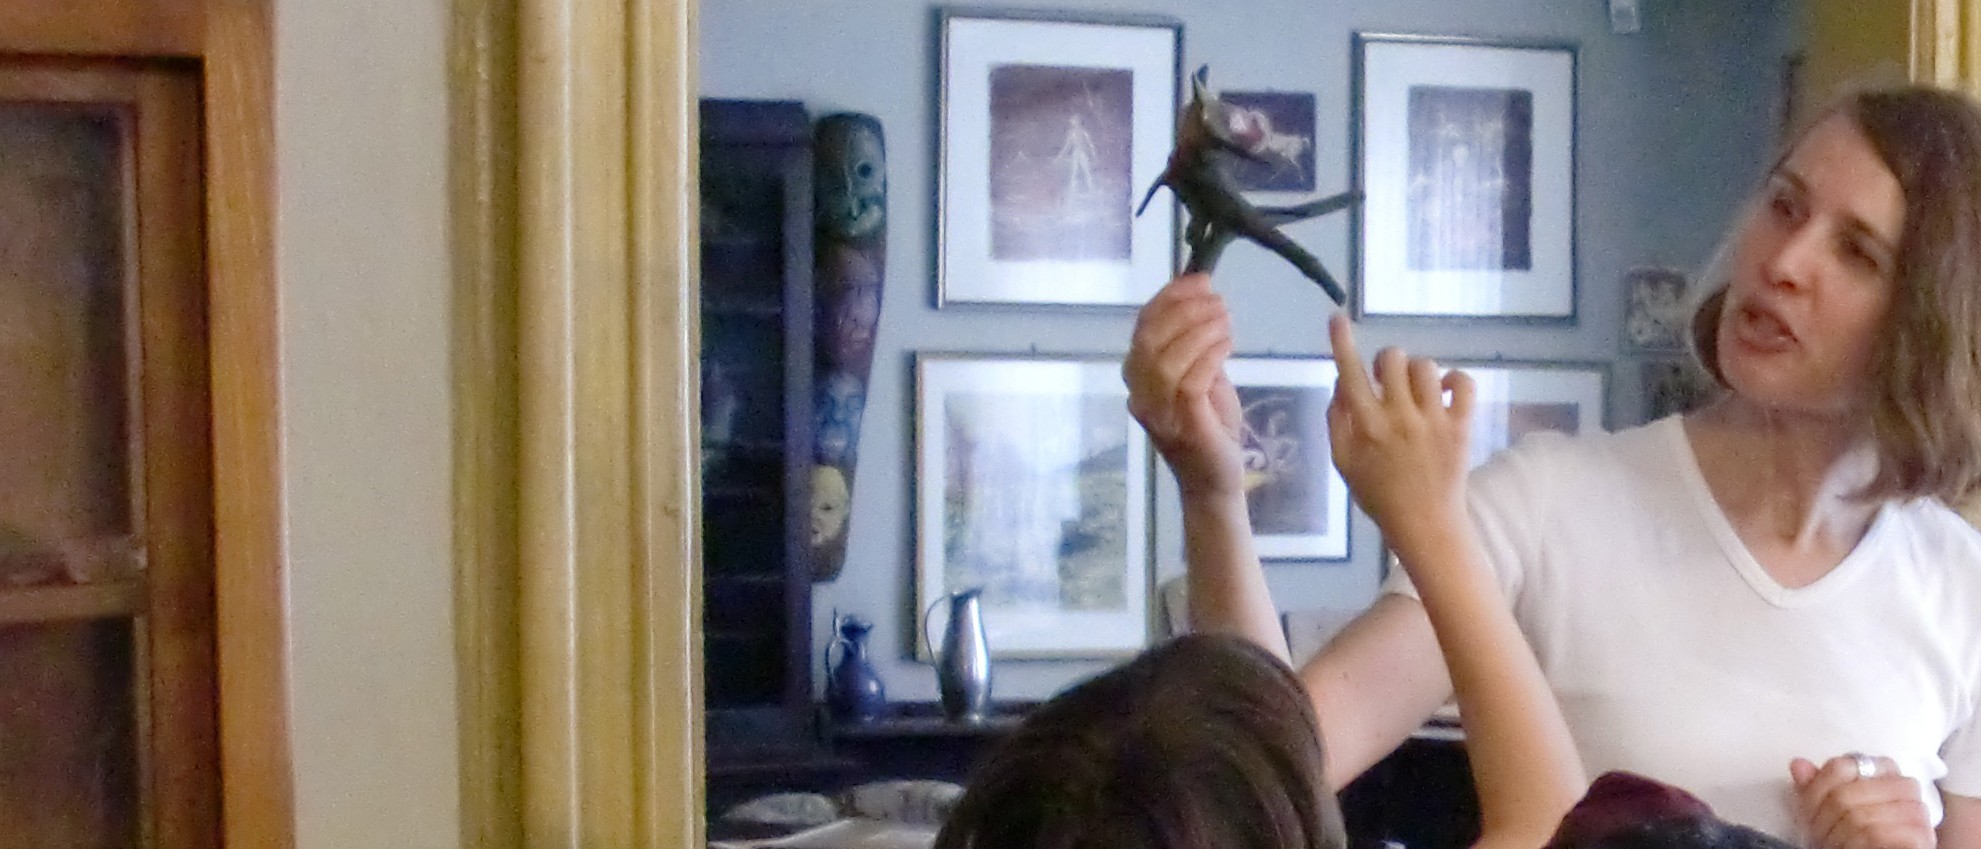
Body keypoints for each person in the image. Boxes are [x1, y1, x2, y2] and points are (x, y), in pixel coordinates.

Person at [1123, 83, 1981, 849]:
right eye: (1785, 206)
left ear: (1934, 322)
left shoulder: (1963, 588)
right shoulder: (1542, 504)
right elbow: (1257, 774)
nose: (1784, 264)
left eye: (1857, 253)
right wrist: (1211, 491)